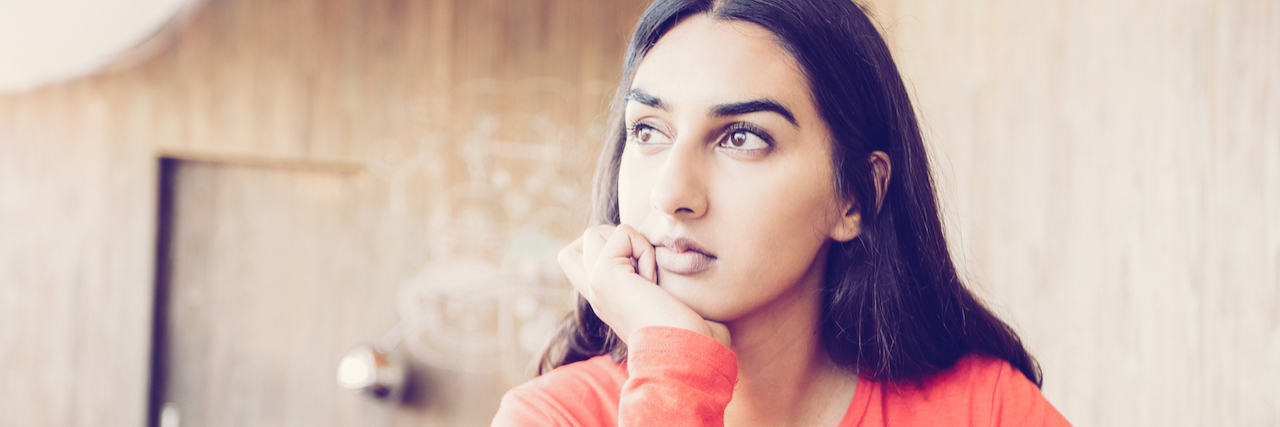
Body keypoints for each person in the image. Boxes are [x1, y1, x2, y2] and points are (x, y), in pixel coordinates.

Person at [493, 0, 1071, 425]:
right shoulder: (553, 417)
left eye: (742, 138)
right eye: (649, 130)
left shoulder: (986, 411)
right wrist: (674, 362)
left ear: (856, 198)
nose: (671, 193)